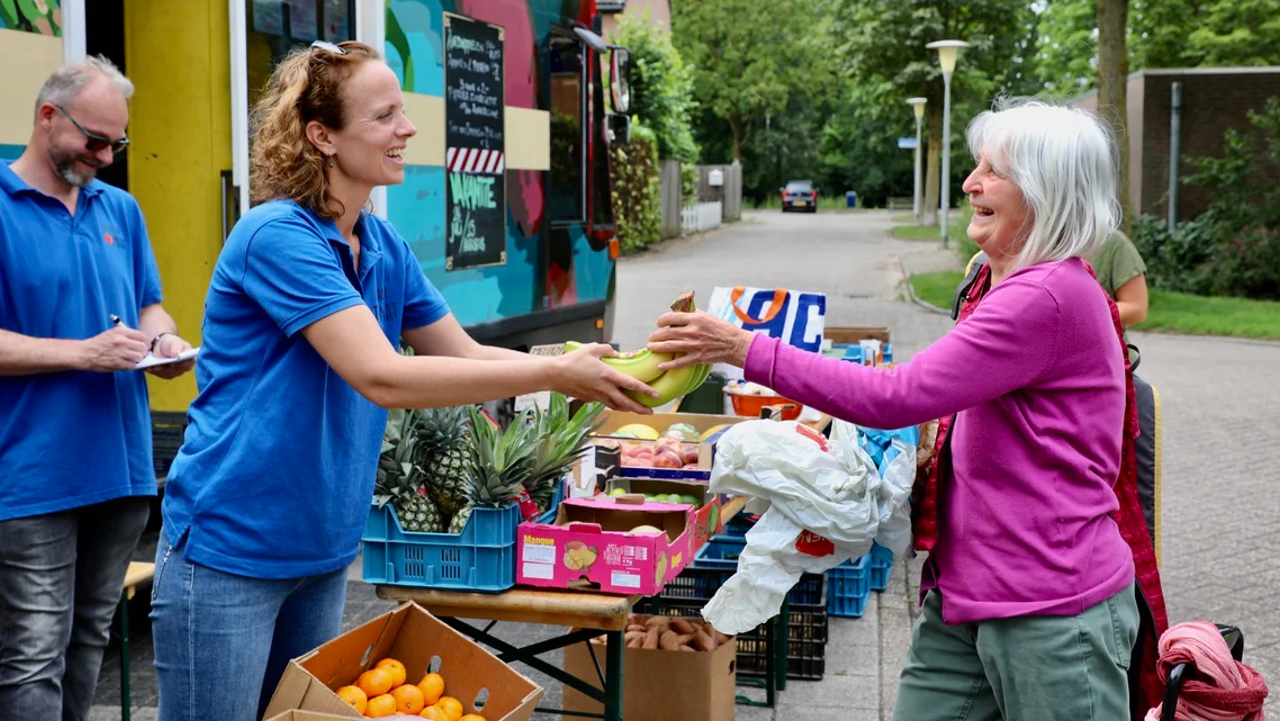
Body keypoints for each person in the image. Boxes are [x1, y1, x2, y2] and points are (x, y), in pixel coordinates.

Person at [148, 40, 655, 721]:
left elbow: (465, 353)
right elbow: (382, 376)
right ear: (321, 135)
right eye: (385, 115)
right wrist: (557, 370)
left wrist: (581, 366)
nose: (407, 129)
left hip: (322, 548)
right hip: (230, 548)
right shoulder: (277, 237)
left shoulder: (380, 243)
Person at [649, 98, 1143, 720]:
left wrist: (744, 347)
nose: (970, 183)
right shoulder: (1013, 286)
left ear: (1045, 192)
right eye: (975, 166)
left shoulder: (1045, 297)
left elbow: (896, 397)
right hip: (967, 594)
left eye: (994, 171)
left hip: (1048, 610)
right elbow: (935, 402)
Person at [0, 56, 196, 721]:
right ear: (47, 116)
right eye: (95, 140)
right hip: (29, 475)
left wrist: (164, 341)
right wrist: (83, 353)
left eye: (119, 143)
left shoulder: (122, 209)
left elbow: (149, 306)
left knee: (88, 642)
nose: (107, 156)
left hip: (122, 468)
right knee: (32, 655)